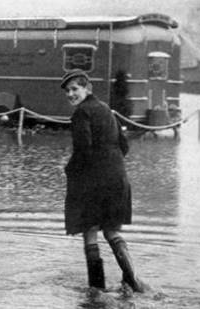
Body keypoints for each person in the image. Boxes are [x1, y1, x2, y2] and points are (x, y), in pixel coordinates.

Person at [61, 69, 147, 292]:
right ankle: (133, 280)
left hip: (96, 182)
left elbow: (83, 151)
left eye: (75, 89)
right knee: (111, 230)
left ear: (87, 89)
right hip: (118, 179)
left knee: (89, 230)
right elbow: (124, 146)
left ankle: (96, 289)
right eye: (68, 91)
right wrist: (110, 165)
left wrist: (69, 170)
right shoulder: (106, 109)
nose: (71, 94)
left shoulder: (81, 113)